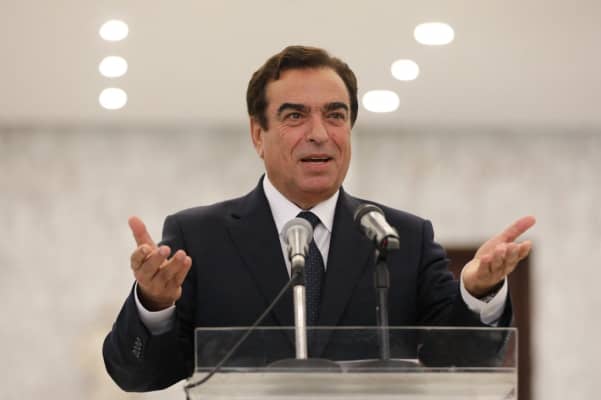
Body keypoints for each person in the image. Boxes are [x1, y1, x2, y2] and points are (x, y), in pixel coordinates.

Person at [103, 45, 535, 392]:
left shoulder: (402, 237)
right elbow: (137, 375)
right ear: (258, 134)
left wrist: (479, 291)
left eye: (335, 115)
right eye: (295, 116)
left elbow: (460, 360)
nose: (319, 133)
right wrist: (154, 304)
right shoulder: (199, 236)